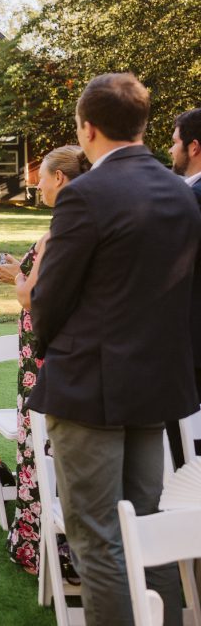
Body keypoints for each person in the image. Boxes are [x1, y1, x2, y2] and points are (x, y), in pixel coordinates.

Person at [28, 73, 201, 625]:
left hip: (90, 387)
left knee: (97, 537)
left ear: (87, 128)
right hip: (155, 386)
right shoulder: (181, 190)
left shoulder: (85, 194)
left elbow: (50, 298)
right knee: (146, 527)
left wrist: (50, 349)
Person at [0, 145, 87, 579]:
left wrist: (18, 277)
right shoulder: (80, 225)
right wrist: (22, 268)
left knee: (38, 445)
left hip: (41, 353)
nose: (36, 183)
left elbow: (36, 294)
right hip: (49, 347)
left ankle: (38, 546)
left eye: (43, 177)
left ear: (60, 179)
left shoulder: (58, 232)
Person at [168, 107, 201, 467]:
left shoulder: (191, 198)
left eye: (175, 142)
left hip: (190, 337)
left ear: (194, 147)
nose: (170, 150)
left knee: (187, 446)